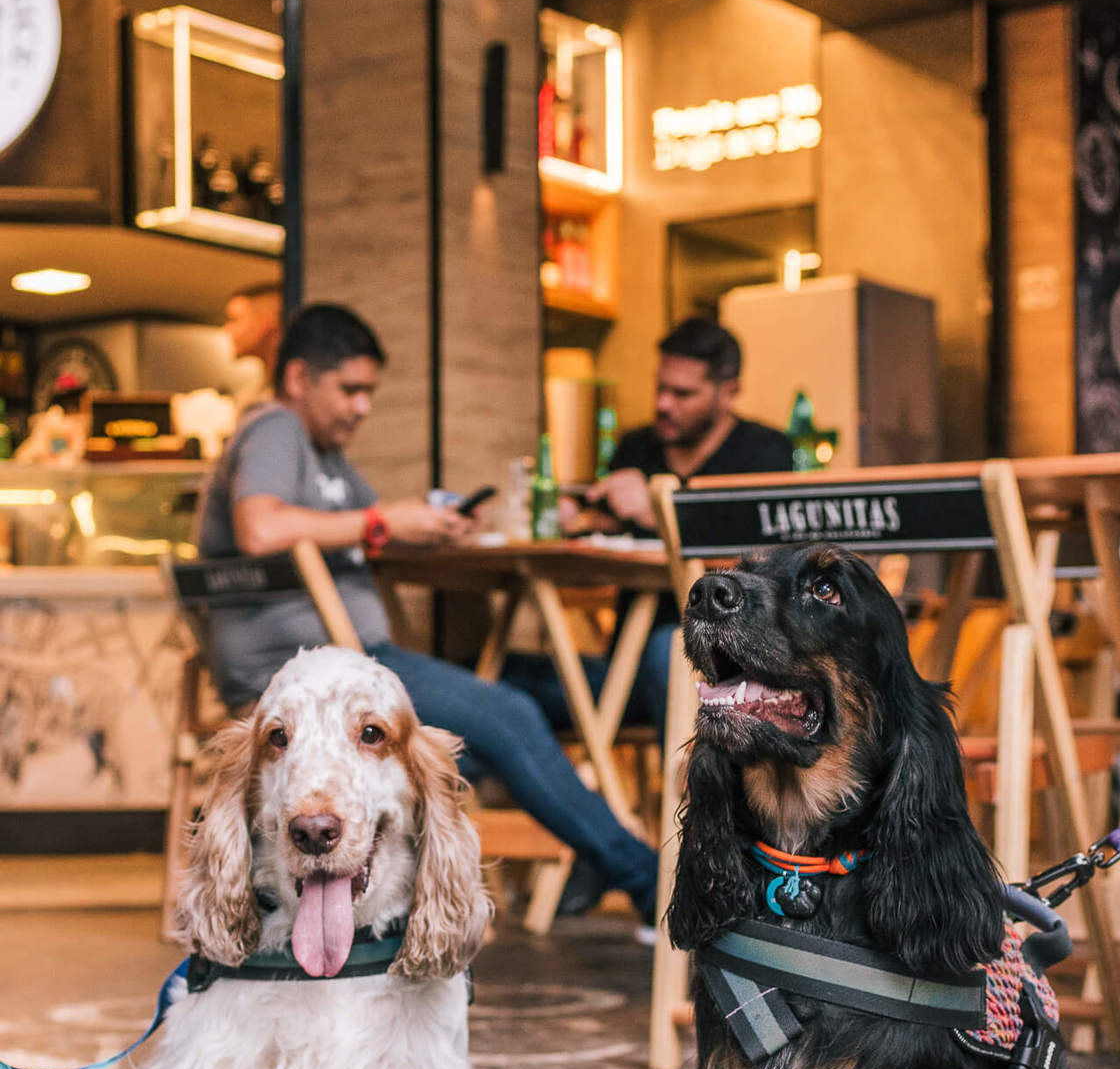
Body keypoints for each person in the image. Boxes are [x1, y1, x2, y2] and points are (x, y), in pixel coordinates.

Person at [194, 302, 659, 925]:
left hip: (356, 668)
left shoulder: (327, 459)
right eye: (350, 390)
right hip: (307, 677)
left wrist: (430, 525)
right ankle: (648, 881)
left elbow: (371, 527)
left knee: (517, 698)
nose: (363, 407)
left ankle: (596, 856)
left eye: (370, 393)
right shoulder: (275, 428)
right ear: (300, 378)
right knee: (509, 715)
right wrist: (384, 522)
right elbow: (260, 527)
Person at [505, 316, 793, 746]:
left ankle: (698, 799)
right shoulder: (635, 448)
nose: (663, 404)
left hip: (725, 662)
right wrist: (575, 521)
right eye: (660, 387)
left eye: (682, 393)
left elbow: (768, 567)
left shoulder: (766, 454)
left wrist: (660, 513)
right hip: (626, 664)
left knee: (670, 649)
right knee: (492, 675)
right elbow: (602, 535)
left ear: (728, 392)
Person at [223, 281, 284, 414]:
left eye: (234, 320)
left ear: (265, 323)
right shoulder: (249, 397)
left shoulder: (295, 397)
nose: (226, 329)